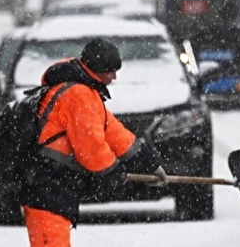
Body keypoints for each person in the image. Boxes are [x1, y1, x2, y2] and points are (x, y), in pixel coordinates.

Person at [20, 37, 169, 247]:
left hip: (53, 184)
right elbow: (90, 149)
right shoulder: (78, 95)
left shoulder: (86, 92)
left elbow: (113, 132)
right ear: (98, 69)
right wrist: (112, 172)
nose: (115, 77)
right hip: (46, 184)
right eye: (111, 71)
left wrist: (149, 163)